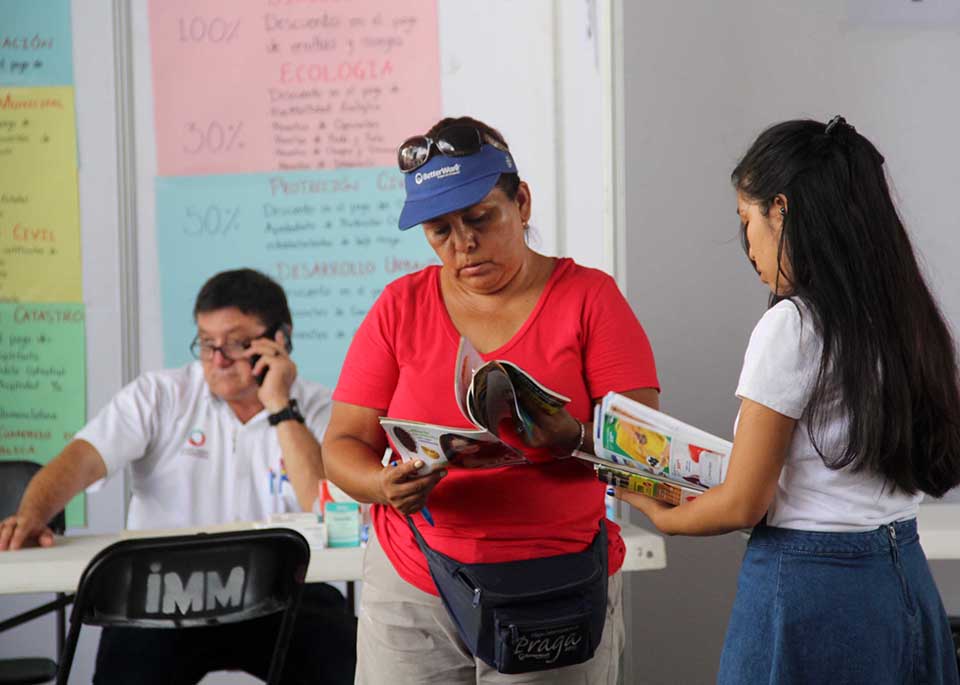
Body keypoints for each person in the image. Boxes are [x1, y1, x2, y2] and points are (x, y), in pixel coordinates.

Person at [614, 117, 960, 683]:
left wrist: (660, 514)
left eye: (745, 221)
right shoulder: (906, 318)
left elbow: (743, 502)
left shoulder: (794, 326)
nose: (746, 246)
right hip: (902, 582)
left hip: (811, 589)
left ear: (781, 209)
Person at [321, 116, 660, 684]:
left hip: (556, 584)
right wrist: (382, 485)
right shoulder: (400, 306)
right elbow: (343, 444)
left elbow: (649, 454)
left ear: (521, 202)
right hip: (414, 584)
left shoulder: (589, 299)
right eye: (440, 231)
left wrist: (571, 439)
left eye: (480, 218)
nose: (464, 244)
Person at [0, 268, 357, 684]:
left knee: (347, 657)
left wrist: (279, 405)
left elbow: (326, 503)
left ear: (279, 340)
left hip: (282, 595)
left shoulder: (317, 406)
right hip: (161, 599)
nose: (218, 359)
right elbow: (81, 459)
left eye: (237, 343)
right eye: (207, 344)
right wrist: (32, 513)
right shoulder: (161, 395)